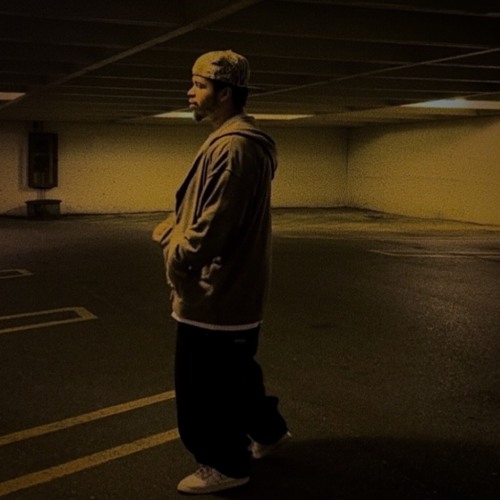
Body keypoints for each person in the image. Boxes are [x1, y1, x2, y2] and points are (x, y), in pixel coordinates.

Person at [153, 50, 290, 495]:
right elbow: (211, 214)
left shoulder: (233, 148)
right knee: (236, 376)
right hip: (233, 295)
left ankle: (224, 463)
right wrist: (178, 225)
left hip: (215, 296)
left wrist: (173, 248)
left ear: (225, 92)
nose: (189, 92)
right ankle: (269, 431)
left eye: (199, 85)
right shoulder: (236, 143)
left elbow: (211, 231)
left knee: (201, 391)